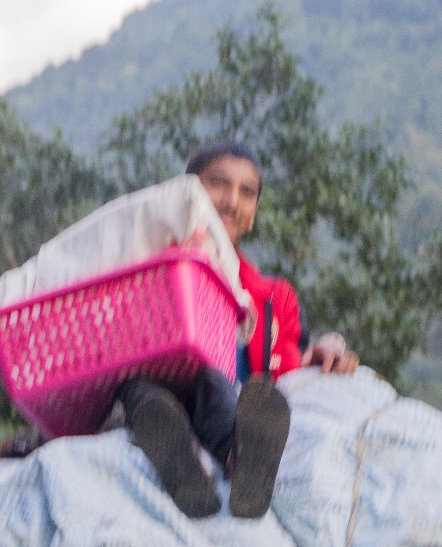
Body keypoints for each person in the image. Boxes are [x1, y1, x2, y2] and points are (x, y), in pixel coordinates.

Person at [115, 141, 359, 521]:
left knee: (215, 380)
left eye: (247, 193)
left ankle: (240, 461)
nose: (232, 201)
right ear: (187, 194)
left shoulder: (273, 299)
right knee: (139, 388)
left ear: (254, 213)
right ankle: (179, 458)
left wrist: (327, 347)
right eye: (218, 184)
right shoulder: (142, 271)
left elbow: (289, 369)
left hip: (222, 402)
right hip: (153, 396)